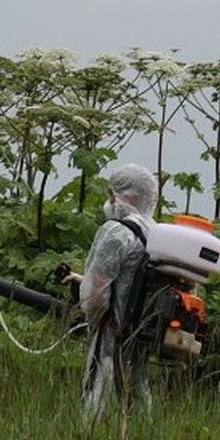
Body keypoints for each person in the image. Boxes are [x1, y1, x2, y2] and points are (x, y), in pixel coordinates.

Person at [73, 163, 157, 419]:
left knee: (97, 388)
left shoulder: (117, 232)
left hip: (112, 328)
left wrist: (92, 319)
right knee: (138, 389)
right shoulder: (157, 233)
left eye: (112, 194)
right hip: (142, 330)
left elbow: (96, 294)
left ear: (125, 195)